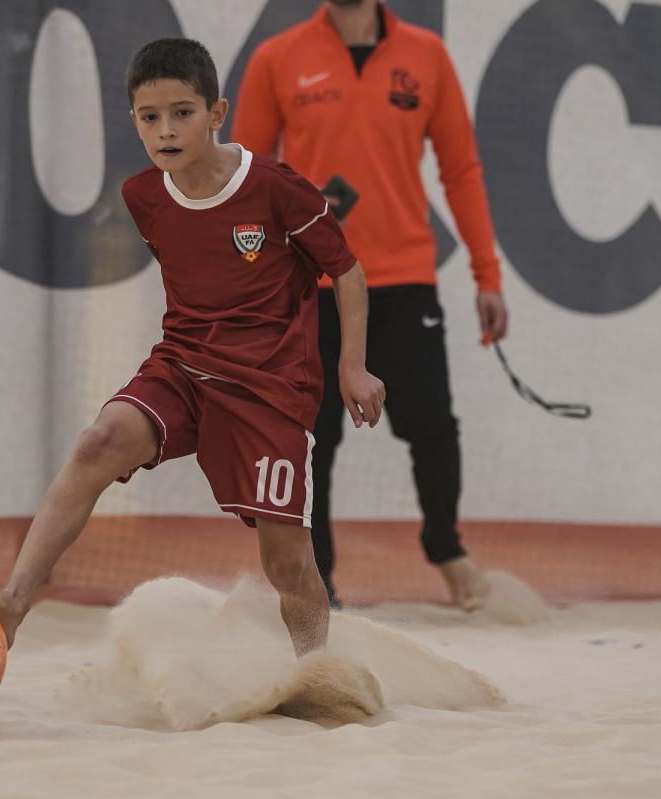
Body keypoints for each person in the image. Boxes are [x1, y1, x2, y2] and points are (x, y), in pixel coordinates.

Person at [0, 38, 385, 654]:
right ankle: (14, 603)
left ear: (216, 113)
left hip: (269, 387)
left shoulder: (274, 187)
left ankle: (318, 673)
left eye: (182, 112)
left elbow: (346, 270)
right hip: (183, 366)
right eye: (149, 117)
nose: (166, 130)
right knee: (97, 443)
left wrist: (354, 367)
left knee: (287, 561)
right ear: (133, 121)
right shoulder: (143, 196)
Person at [231, 0, 507, 610]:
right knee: (311, 438)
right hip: (312, 283)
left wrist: (487, 274)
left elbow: (461, 170)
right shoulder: (277, 57)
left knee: (433, 426)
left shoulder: (427, 56)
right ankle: (317, 582)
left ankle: (447, 551)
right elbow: (244, 178)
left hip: (404, 278)